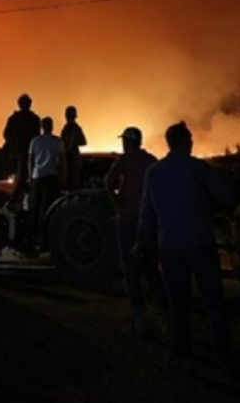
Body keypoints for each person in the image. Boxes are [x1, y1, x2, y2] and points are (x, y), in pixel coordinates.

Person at [137, 121, 238, 378]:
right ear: (185, 142)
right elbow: (226, 197)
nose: (193, 142)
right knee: (213, 302)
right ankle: (223, 355)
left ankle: (181, 354)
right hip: (200, 244)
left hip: (169, 247)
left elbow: (146, 214)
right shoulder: (198, 168)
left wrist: (141, 242)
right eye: (191, 138)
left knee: (177, 302)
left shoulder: (154, 172)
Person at [105, 127, 166, 339]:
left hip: (128, 221)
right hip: (149, 221)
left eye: (124, 140)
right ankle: (165, 317)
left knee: (130, 271)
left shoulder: (123, 161)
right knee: (152, 269)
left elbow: (108, 181)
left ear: (128, 142)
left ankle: (139, 320)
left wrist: (116, 201)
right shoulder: (151, 160)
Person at [28, 117, 66, 236]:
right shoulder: (57, 141)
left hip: (37, 177)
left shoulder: (35, 141)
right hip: (51, 177)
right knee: (49, 206)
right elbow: (62, 161)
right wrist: (63, 177)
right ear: (52, 126)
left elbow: (30, 160)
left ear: (42, 127)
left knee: (35, 205)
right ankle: (47, 233)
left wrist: (30, 176)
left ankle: (34, 233)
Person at [3, 93, 41, 201]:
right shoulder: (34, 119)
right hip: (27, 155)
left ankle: (17, 201)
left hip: (20, 155)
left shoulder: (14, 119)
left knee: (20, 180)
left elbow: (6, 135)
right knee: (25, 180)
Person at [60, 105, 87, 191]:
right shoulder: (71, 127)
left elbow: (83, 142)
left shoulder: (73, 128)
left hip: (71, 159)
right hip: (71, 158)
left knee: (72, 184)